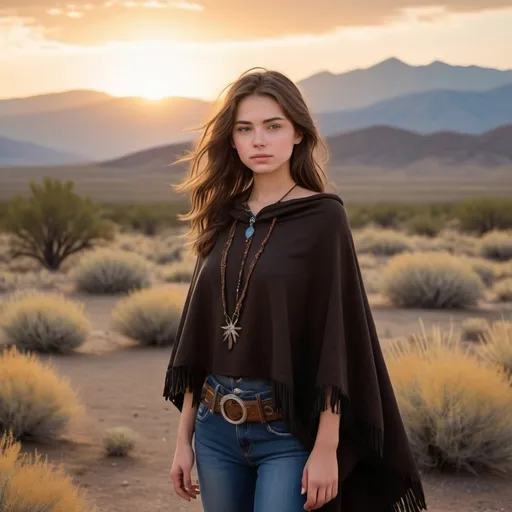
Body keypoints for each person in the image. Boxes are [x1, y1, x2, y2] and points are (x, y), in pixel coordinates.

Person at [163, 68, 427, 512]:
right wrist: (182, 440)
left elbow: (336, 339)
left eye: (273, 126)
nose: (258, 140)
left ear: (299, 134)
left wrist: (327, 447)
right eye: (245, 129)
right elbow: (200, 339)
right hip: (214, 431)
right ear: (232, 140)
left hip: (285, 433)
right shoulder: (222, 217)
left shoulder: (323, 220)